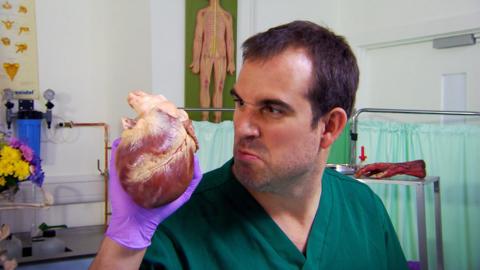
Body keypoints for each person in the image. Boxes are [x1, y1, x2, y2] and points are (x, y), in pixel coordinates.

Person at [90, 20, 408, 269]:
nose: (242, 125)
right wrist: (123, 245)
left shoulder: (364, 209)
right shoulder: (178, 226)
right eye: (241, 102)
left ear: (330, 127)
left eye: (271, 109)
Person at [189, 0, 235, 123]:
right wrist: (196, 60)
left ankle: (217, 120)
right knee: (204, 84)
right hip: (206, 55)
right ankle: (204, 120)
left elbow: (229, 40)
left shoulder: (226, 16)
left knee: (219, 87)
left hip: (221, 56)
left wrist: (231, 61)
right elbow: (198, 38)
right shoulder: (202, 14)